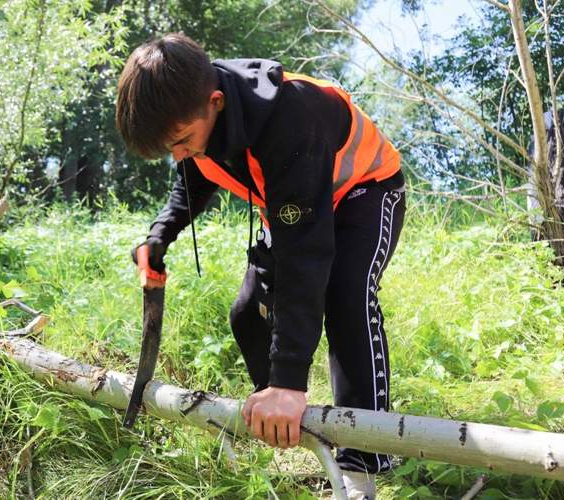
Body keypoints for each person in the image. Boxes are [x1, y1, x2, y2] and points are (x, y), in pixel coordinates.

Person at [115, 33, 405, 499]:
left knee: (345, 299)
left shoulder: (290, 116)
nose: (179, 155)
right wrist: (158, 237)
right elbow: (193, 174)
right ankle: (289, 424)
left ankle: (359, 469)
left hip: (364, 191)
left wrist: (287, 381)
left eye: (183, 140)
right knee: (248, 314)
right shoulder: (202, 119)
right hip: (296, 200)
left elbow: (304, 258)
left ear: (215, 103)